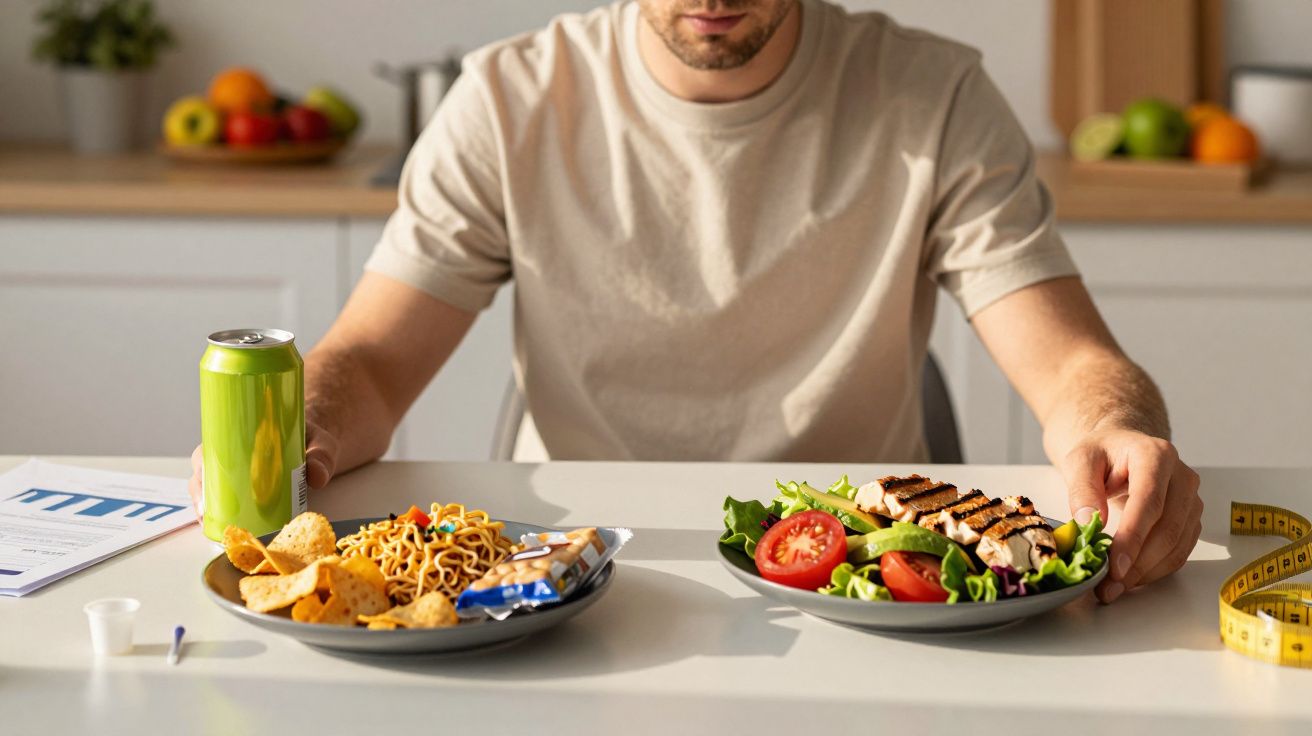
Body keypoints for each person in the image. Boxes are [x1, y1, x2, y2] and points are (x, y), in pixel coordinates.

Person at [189, 0, 1202, 604]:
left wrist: (1118, 433)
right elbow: (372, 361)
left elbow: (1071, 364)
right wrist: (300, 428)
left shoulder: (935, 96)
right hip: (573, 578)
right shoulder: (505, 100)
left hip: (853, 578)